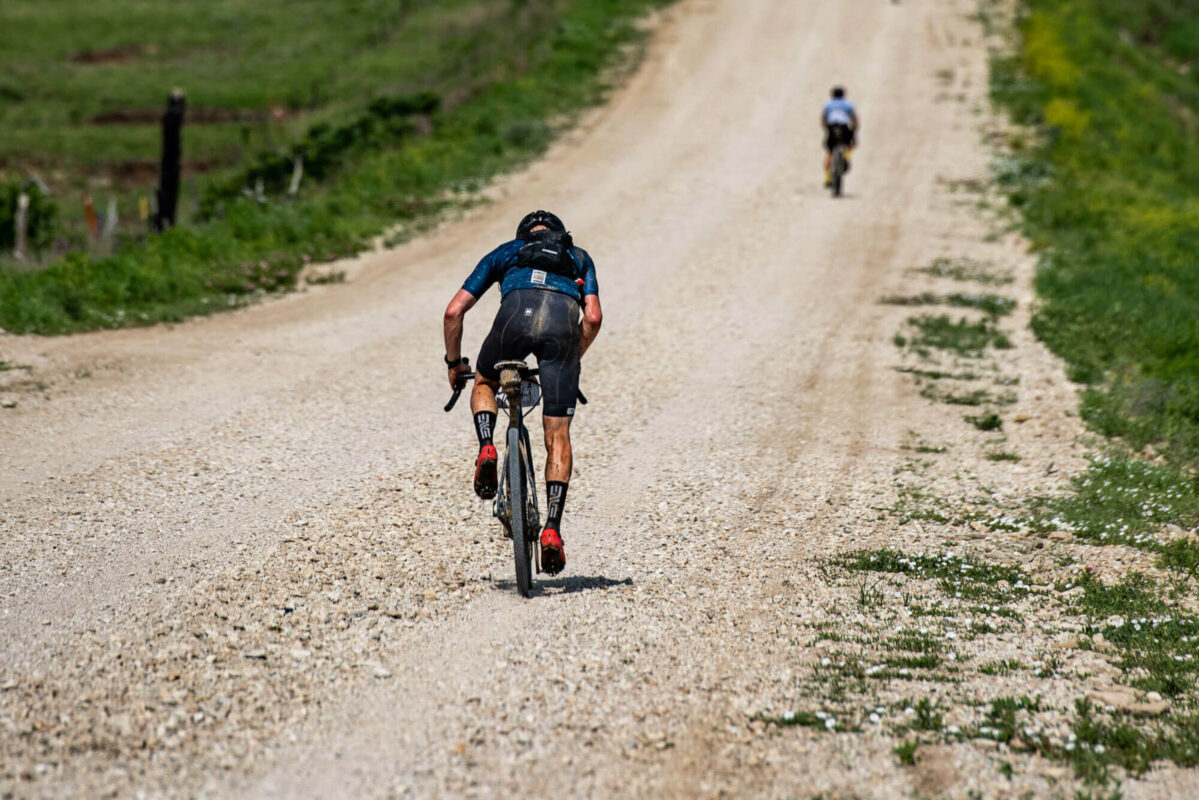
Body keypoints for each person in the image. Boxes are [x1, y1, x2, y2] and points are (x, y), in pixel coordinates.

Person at [442, 210, 602, 575]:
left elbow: (453, 312)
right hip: (561, 327)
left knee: (485, 381)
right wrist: (568, 360)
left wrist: (454, 363)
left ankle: (487, 445)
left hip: (513, 319)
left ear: (523, 235)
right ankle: (552, 530)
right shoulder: (578, 257)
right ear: (559, 234)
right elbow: (592, 318)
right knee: (557, 433)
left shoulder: (506, 251)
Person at [822, 86, 859, 187]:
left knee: (830, 152)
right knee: (850, 144)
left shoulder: (828, 104)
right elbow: (854, 120)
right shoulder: (848, 104)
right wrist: (854, 133)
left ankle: (827, 177)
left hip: (832, 127)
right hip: (843, 127)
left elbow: (824, 119)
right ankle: (846, 157)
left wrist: (827, 130)